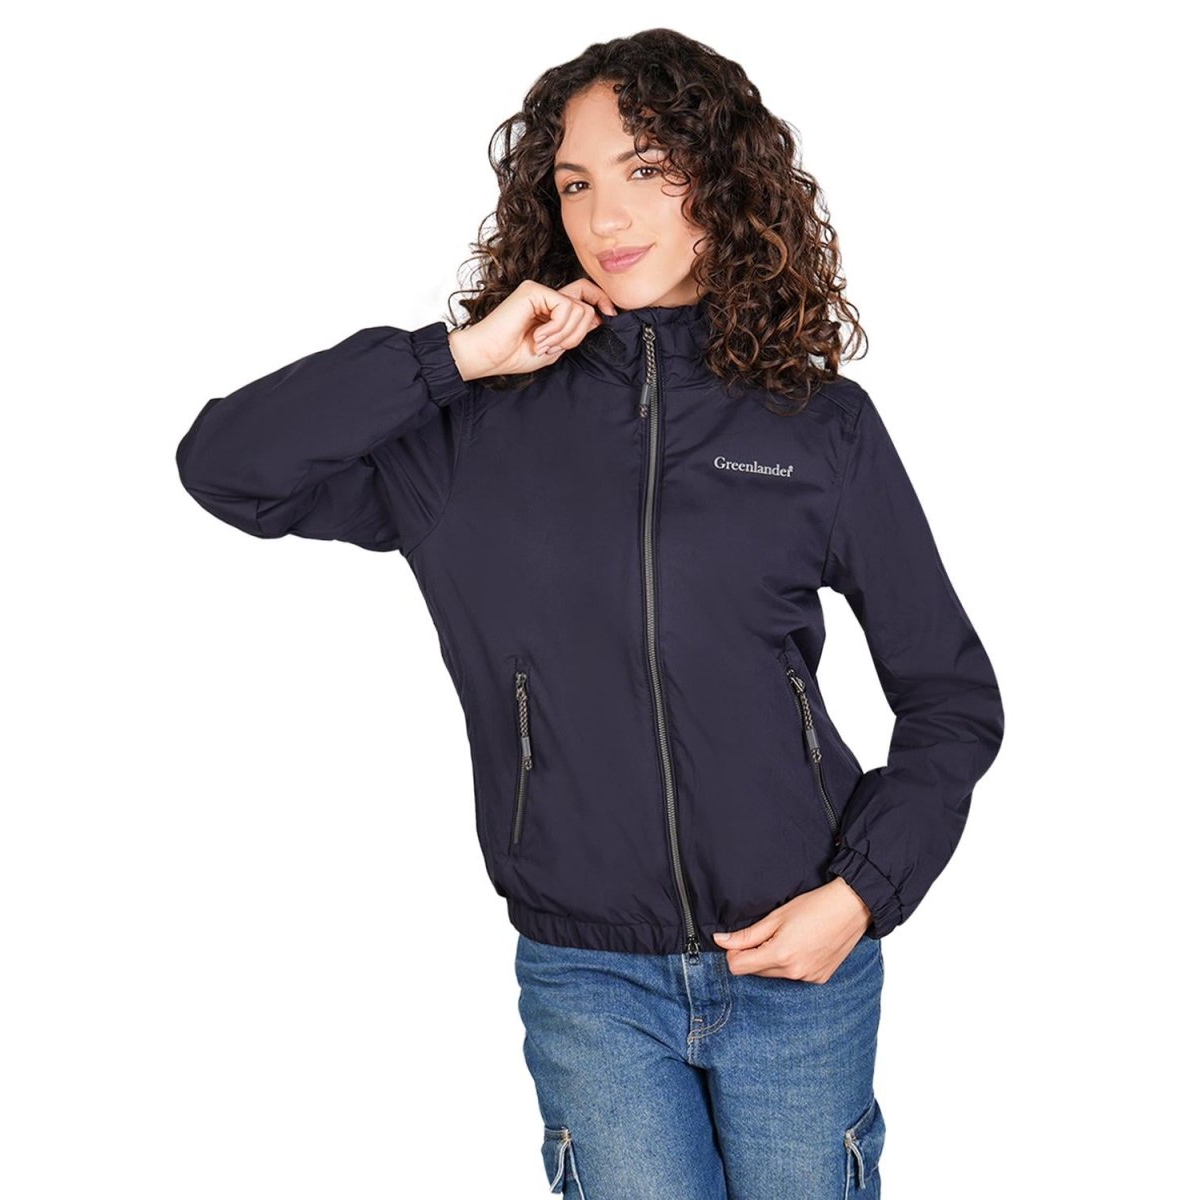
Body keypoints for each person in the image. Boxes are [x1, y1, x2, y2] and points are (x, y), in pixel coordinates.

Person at [176, 27, 1004, 1200]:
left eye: (647, 169)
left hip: (799, 961)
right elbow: (229, 466)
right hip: (587, 975)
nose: (606, 215)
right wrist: (455, 359)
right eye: (575, 183)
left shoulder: (818, 426)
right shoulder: (469, 432)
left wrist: (863, 890)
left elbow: (951, 700)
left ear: (724, 179)